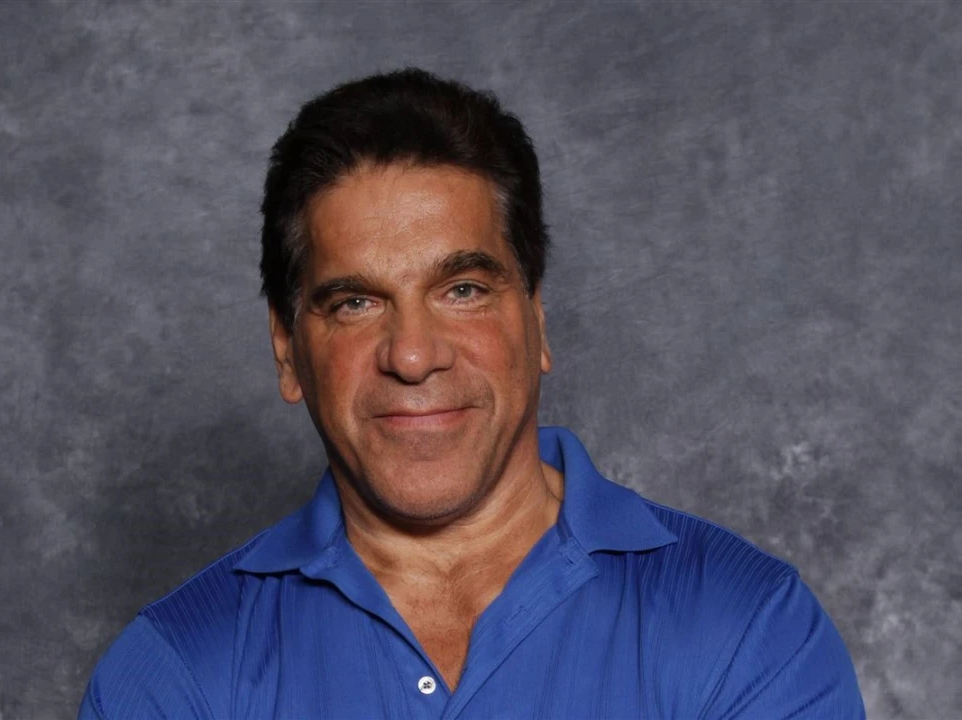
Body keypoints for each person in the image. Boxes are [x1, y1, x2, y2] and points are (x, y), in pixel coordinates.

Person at [78, 68, 865, 719]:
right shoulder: (173, 676)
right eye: (355, 302)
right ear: (288, 350)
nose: (412, 355)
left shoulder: (746, 629)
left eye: (462, 290)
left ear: (536, 320)